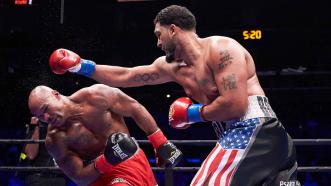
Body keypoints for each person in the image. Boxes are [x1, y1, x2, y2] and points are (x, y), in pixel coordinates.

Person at [48, 4, 298, 186]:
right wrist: (81, 65)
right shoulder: (172, 67)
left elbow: (235, 106)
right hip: (244, 137)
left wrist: (191, 113)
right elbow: (126, 76)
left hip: (254, 130)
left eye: (159, 34)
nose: (157, 43)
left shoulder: (222, 49)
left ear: (174, 30)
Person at [28, 84, 182, 186]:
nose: (47, 117)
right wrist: (108, 159)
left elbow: (135, 108)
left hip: (134, 162)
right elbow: (79, 176)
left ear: (56, 94)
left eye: (46, 109)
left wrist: (159, 143)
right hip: (101, 176)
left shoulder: (96, 96)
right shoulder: (55, 139)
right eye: (41, 116)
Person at [22, 116, 67, 186]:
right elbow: (30, 155)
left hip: (59, 177)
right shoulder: (35, 125)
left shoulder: (62, 125)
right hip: (39, 178)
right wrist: (36, 127)